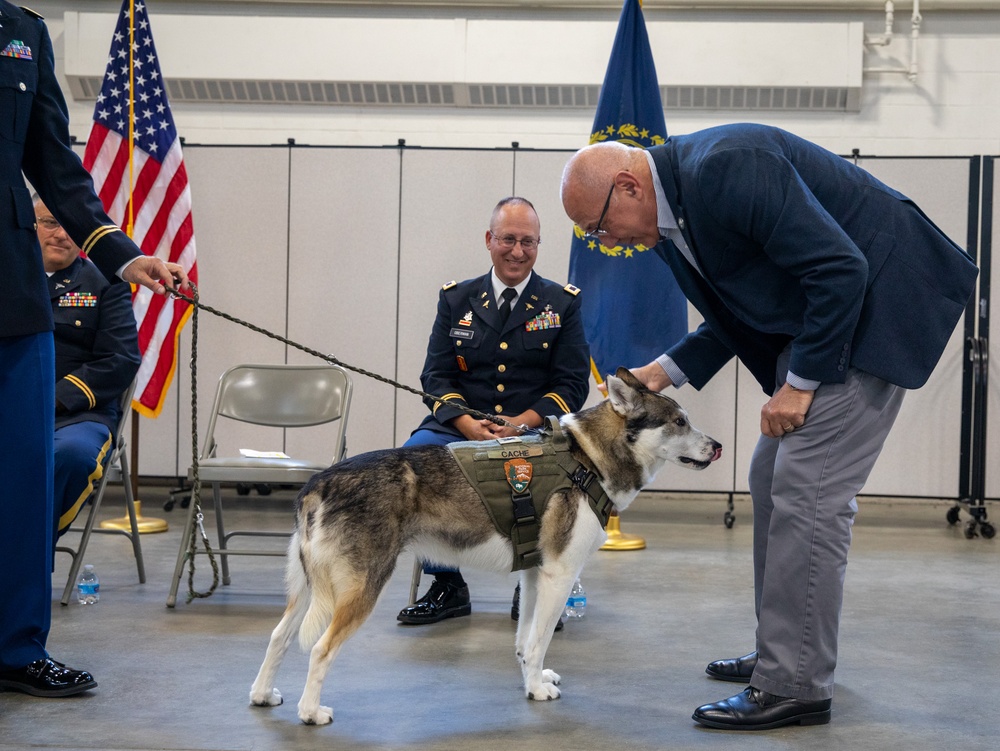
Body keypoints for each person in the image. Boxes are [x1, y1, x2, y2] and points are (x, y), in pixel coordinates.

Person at [560, 125, 978, 730]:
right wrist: (666, 370)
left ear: (626, 186)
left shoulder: (727, 169)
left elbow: (840, 269)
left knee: (808, 488)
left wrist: (800, 384)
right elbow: (739, 306)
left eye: (597, 227)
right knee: (770, 473)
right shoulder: (669, 214)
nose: (603, 242)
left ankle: (795, 681)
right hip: (827, 315)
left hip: (874, 303)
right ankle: (785, 648)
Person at [0, 3, 189, 699]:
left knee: (23, 484)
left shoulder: (22, 32)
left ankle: (16, 646)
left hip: (15, 299)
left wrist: (120, 254)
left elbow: (51, 157)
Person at [396, 196, 591, 626]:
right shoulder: (456, 299)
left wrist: (522, 422)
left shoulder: (562, 303)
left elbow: (572, 385)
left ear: (539, 244)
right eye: (508, 239)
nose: (517, 251)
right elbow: (436, 377)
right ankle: (447, 586)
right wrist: (466, 423)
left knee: (560, 477)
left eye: (528, 241)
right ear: (489, 240)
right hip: (460, 426)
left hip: (533, 429)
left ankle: (534, 587)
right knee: (416, 459)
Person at [34, 197, 141, 550]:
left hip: (78, 416)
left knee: (72, 457)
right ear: (28, 226)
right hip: (11, 406)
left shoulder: (104, 284)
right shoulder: (11, 281)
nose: (62, 234)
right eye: (50, 223)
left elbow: (121, 359)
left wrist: (57, 399)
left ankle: (27, 555)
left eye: (71, 226)